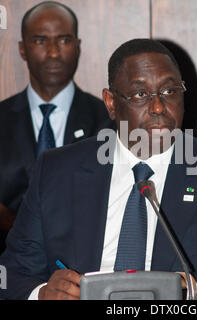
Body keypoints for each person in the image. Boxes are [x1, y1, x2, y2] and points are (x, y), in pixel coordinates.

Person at [0, 38, 197, 300]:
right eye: (140, 94)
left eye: (169, 91)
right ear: (111, 103)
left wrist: (180, 287)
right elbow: (10, 275)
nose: (158, 107)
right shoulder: (57, 171)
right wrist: (43, 292)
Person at [0, 1, 113, 253]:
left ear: (78, 47)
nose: (53, 52)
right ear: (22, 49)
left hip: (86, 266)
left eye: (63, 40)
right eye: (40, 41)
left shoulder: (108, 122)